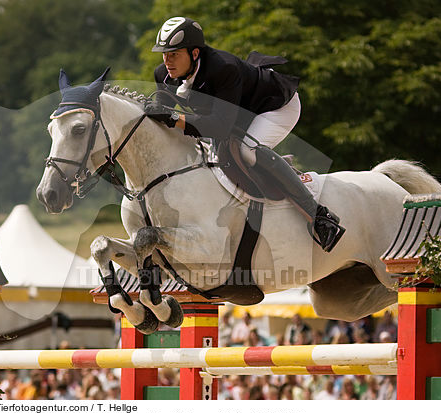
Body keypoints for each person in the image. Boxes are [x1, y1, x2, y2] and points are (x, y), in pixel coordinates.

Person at [146, 17, 345, 252]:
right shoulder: (164, 73)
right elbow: (163, 108)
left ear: (195, 53)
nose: (167, 61)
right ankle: (274, 168)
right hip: (239, 113)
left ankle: (320, 217)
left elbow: (219, 126)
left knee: (247, 150)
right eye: (164, 54)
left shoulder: (224, 69)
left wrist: (172, 118)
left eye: (174, 54)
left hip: (275, 106)